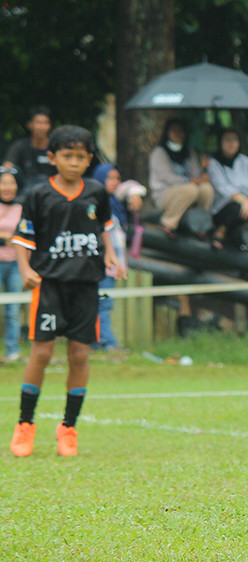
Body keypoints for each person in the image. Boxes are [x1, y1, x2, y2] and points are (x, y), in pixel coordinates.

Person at [8, 125, 125, 458]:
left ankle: (68, 428)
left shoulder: (97, 192)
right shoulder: (37, 194)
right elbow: (22, 237)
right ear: (52, 158)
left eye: (80, 157)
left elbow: (105, 227)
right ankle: (25, 425)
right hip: (50, 286)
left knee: (80, 355)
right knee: (42, 354)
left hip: (87, 285)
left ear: (89, 159)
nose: (74, 162)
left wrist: (112, 254)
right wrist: (26, 269)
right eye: (67, 156)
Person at [93, 163, 144, 351]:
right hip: (98, 263)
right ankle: (107, 343)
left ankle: (97, 341)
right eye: (109, 178)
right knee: (103, 304)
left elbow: (133, 186)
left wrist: (134, 194)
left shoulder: (116, 202)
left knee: (103, 303)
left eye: (117, 178)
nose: (114, 182)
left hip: (113, 264)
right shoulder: (95, 203)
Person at [207, 127, 248, 255]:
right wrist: (243, 200)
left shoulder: (244, 161)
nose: (231, 144)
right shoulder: (213, 163)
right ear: (220, 143)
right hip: (224, 207)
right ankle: (220, 233)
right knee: (235, 210)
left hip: (247, 207)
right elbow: (223, 188)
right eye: (227, 140)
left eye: (234, 140)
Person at [148, 119, 214, 237]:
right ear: (167, 133)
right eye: (174, 131)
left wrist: (203, 170)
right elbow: (167, 177)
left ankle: (201, 225)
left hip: (189, 192)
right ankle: (168, 223)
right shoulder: (159, 153)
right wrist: (188, 181)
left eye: (180, 131)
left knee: (206, 188)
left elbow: (195, 176)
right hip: (165, 193)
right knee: (191, 189)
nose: (178, 134)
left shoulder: (189, 152)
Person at [2, 106, 57, 197]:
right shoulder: (19, 146)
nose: (41, 127)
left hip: (53, 191)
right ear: (29, 125)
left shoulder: (56, 147)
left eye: (45, 123)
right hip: (25, 192)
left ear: (49, 125)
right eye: (38, 122)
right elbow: (7, 168)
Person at [0, 167, 23, 361]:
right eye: (3, 182)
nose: (7, 187)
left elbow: (25, 236)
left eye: (11, 182)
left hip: (16, 263)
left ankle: (12, 351)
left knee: (13, 310)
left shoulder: (21, 208)